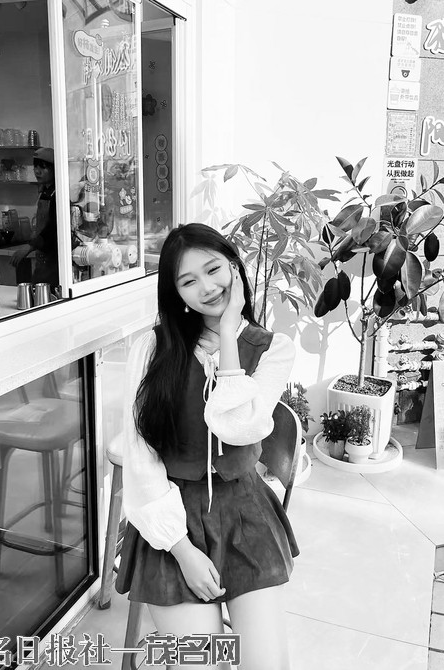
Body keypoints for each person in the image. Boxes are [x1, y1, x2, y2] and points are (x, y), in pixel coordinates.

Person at [115, 223, 299, 670]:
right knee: (200, 663)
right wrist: (182, 550)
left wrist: (230, 334)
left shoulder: (274, 350)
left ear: (234, 267)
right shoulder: (152, 349)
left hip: (245, 517)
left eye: (213, 270)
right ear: (176, 293)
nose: (206, 288)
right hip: (172, 522)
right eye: (188, 281)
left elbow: (240, 428)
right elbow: (141, 459)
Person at [10, 147, 59, 289]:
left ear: (54, 169)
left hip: (53, 258)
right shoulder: (46, 192)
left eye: (43, 167)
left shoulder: (57, 194)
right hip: (42, 256)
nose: (37, 171)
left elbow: (53, 228)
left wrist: (29, 247)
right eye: (35, 167)